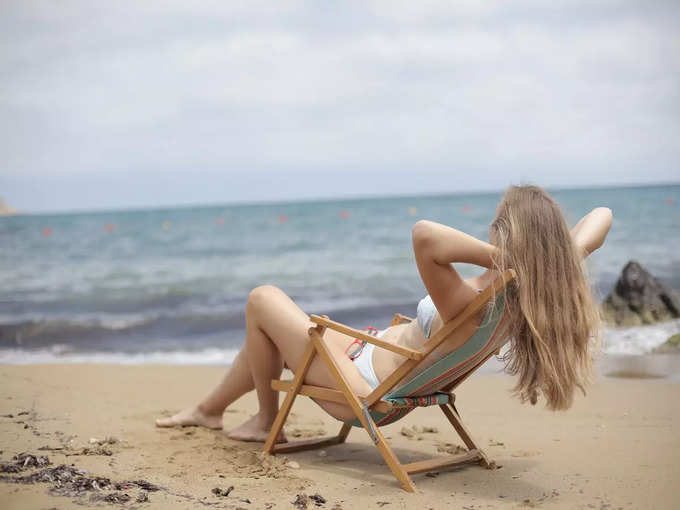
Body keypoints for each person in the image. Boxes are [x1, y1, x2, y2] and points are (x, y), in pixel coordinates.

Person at [156, 185, 612, 442]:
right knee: (277, 327)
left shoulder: (475, 297)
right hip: (369, 360)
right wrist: (552, 256)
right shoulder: (528, 292)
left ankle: (261, 420)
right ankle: (208, 410)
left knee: (262, 297)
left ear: (504, 233)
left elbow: (425, 235)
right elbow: (603, 215)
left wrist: (503, 255)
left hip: (364, 392)